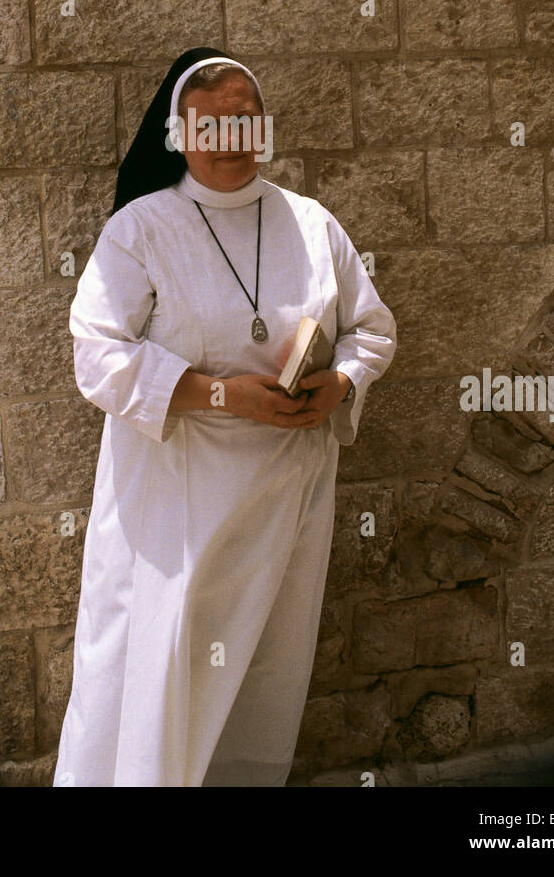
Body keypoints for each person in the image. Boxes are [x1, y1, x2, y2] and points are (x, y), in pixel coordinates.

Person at [52, 48, 397, 788]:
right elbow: (97, 357)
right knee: (164, 665)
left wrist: (339, 381)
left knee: (264, 670)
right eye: (210, 125)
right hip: (173, 507)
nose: (230, 139)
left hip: (284, 499)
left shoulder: (310, 223)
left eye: (245, 120)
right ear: (178, 135)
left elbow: (373, 331)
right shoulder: (140, 230)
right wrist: (219, 395)